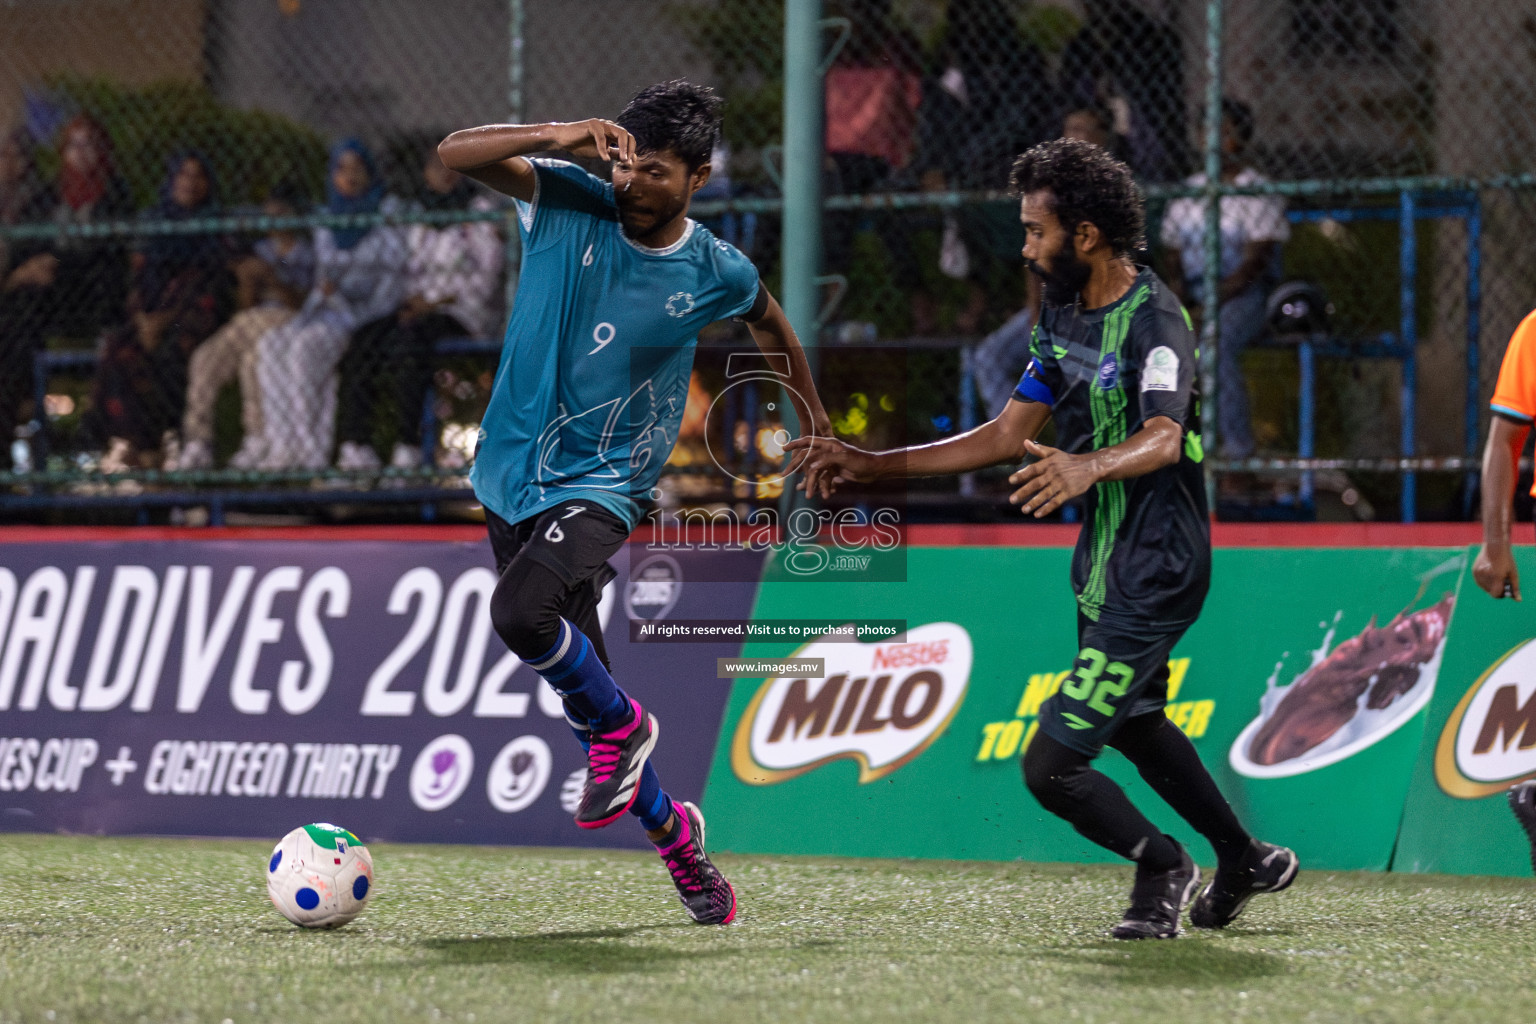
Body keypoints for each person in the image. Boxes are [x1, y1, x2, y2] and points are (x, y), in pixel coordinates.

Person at [789, 138, 1295, 940]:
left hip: (1158, 563)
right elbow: (1003, 435)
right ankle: (1244, 857)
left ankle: (1163, 866)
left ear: (1085, 235)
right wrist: (869, 464)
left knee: (1052, 766)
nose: (1025, 248)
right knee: (1132, 722)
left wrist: (1088, 466)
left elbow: (1165, 436)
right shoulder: (1062, 313)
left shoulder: (1156, 319)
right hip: (1104, 562)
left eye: (1035, 232)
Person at [439, 80, 831, 926]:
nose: (632, 184)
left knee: (520, 616)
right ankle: (683, 847)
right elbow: (453, 153)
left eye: (655, 172)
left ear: (700, 176)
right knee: (594, 714)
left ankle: (626, 728)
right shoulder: (568, 193)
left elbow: (771, 324)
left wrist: (817, 422)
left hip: (604, 485)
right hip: (509, 476)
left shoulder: (715, 268)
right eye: (628, 163)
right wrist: (568, 130)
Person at [333, 143, 502, 475]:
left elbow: (486, 281)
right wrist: (410, 301)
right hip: (416, 311)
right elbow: (404, 270)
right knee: (365, 339)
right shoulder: (416, 215)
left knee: (413, 341)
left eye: (451, 165)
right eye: (435, 166)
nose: (443, 173)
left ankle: (407, 448)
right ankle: (356, 447)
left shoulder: (479, 211)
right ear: (424, 172)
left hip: (461, 315)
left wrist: (435, 302)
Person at [249, 139, 407, 471]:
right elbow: (324, 277)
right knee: (271, 345)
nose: (348, 176)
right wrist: (326, 290)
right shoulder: (326, 223)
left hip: (364, 317)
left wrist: (347, 290)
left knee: (304, 350)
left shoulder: (385, 218)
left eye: (356, 168)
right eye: (341, 168)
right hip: (327, 311)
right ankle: (282, 449)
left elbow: (390, 285)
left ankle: (311, 454)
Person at [1158, 98, 1288, 464]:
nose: (1213, 140)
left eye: (1225, 131)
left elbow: (1256, 262)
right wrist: (1181, 296)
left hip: (1245, 296)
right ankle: (1169, 452)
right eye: (1206, 131)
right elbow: (1172, 250)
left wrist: (1209, 306)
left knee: (1214, 345)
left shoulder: (1256, 189)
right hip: (1195, 295)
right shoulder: (1189, 190)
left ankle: (1235, 454)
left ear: (1242, 139)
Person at [87, 151, 232, 469]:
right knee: (119, 350)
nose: (190, 183)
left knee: (173, 353)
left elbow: (207, 287)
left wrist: (164, 322)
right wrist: (144, 321)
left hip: (193, 315)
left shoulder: (216, 227)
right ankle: (132, 444)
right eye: (183, 175)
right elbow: (137, 281)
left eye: (198, 176)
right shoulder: (153, 223)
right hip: (149, 317)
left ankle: (171, 441)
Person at [173, 185, 316, 471]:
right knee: (205, 358)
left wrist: (273, 279)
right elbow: (245, 306)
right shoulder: (259, 249)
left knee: (254, 358)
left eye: (282, 212)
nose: (274, 218)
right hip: (251, 320)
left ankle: (256, 439)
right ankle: (198, 442)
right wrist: (249, 281)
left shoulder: (307, 251)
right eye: (270, 212)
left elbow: (306, 304)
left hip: (287, 320)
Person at [0, 125, 51, 466]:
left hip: (23, 312)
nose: (6, 163)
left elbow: (43, 268)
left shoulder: (37, 201)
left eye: (12, 155)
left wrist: (14, 277)